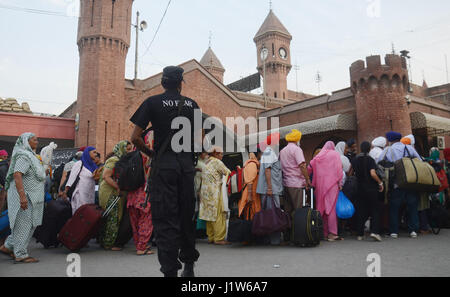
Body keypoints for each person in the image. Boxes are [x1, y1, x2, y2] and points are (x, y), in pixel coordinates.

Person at [129, 65, 201, 277]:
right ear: (180, 84)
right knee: (186, 216)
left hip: (164, 168)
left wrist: (151, 154)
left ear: (163, 82)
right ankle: (189, 265)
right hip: (186, 168)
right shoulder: (192, 105)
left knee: (165, 220)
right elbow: (197, 140)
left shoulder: (152, 102)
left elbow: (134, 138)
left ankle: (170, 271)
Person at [0, 133, 46, 263]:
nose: (37, 141)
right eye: (34, 139)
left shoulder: (30, 156)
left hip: (33, 197)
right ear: (26, 141)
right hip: (26, 197)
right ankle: (20, 254)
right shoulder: (24, 156)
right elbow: (17, 175)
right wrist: (22, 197)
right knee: (25, 225)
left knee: (24, 224)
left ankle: (8, 246)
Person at [376, 131, 422, 239]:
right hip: (410, 181)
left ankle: (394, 231)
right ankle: (413, 230)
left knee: (394, 207)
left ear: (390, 140)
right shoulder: (409, 148)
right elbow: (419, 160)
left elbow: (378, 161)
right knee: (412, 206)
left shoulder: (388, 149)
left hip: (396, 182)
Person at [98, 140, 132, 250]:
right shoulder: (114, 160)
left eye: (130, 149)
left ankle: (107, 241)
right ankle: (108, 243)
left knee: (115, 216)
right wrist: (118, 187)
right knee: (113, 217)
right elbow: (106, 176)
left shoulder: (122, 160)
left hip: (115, 193)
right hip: (110, 193)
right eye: (127, 149)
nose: (129, 151)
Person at [279, 129, 311, 243]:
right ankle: (298, 236)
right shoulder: (297, 150)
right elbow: (302, 166)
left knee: (287, 211)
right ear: (297, 139)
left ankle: (287, 236)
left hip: (286, 183)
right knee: (298, 211)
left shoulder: (282, 151)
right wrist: (307, 179)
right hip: (296, 184)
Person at [308, 141, 344, 242]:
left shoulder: (319, 155)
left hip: (320, 186)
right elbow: (339, 169)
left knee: (321, 209)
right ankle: (332, 234)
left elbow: (309, 167)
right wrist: (340, 183)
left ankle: (323, 233)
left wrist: (307, 178)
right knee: (331, 209)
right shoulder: (335, 154)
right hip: (332, 186)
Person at [127, 133, 154, 256]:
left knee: (135, 221)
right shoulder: (150, 154)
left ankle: (139, 244)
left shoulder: (132, 154)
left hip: (132, 193)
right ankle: (142, 247)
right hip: (144, 192)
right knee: (146, 220)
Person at [199, 146, 231, 245]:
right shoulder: (217, 162)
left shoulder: (206, 162)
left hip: (205, 193)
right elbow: (228, 172)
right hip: (214, 192)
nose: (222, 156)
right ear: (216, 154)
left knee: (209, 216)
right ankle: (219, 238)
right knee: (218, 215)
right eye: (221, 154)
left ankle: (211, 237)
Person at [352, 141, 384, 241]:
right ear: (369, 148)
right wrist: (380, 183)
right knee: (375, 209)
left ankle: (360, 234)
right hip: (371, 188)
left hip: (359, 188)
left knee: (361, 210)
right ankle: (375, 232)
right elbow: (373, 173)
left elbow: (350, 172)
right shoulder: (370, 159)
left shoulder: (355, 159)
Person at [256, 133, 284, 245]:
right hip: (270, 189)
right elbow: (268, 170)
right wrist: (270, 188)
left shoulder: (268, 152)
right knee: (273, 213)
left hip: (269, 188)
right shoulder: (269, 152)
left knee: (268, 212)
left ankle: (268, 238)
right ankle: (273, 239)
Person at [63, 147, 98, 214]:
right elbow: (71, 179)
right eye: (94, 152)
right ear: (88, 153)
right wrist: (65, 191)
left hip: (90, 195)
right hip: (80, 194)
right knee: (79, 214)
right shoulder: (79, 164)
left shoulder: (93, 166)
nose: (96, 154)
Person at [238, 150, 262, 222]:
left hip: (253, 193)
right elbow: (249, 181)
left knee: (254, 211)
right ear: (257, 154)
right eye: (261, 153)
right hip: (250, 193)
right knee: (251, 211)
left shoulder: (254, 164)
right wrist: (249, 195)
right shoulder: (252, 164)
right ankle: (250, 228)